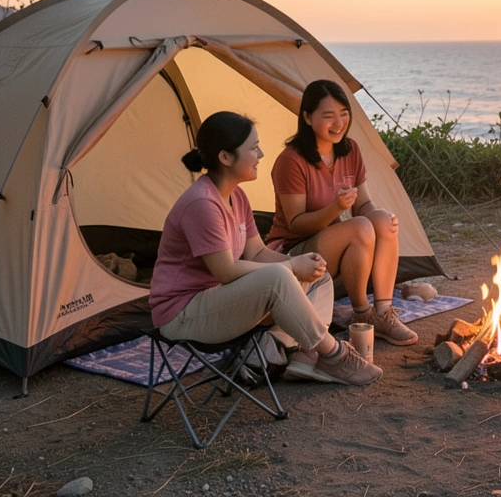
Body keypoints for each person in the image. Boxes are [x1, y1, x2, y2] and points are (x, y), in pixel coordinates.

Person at [149, 111, 381, 386]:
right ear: (225, 157)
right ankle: (334, 355)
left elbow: (257, 252)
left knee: (318, 276)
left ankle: (301, 356)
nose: (260, 154)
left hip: (220, 301)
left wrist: (301, 263)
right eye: (252, 148)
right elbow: (226, 271)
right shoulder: (202, 204)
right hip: (183, 314)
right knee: (279, 277)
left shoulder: (236, 195)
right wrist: (290, 266)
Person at [265, 79, 418, 346]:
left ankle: (382, 313)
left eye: (344, 114)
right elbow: (296, 223)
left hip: (330, 248)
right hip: (292, 253)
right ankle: (362, 314)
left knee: (379, 221)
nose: (338, 122)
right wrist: (335, 208)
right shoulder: (291, 161)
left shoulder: (351, 150)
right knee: (360, 227)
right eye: (329, 115)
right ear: (308, 117)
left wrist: (381, 216)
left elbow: (363, 205)